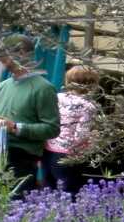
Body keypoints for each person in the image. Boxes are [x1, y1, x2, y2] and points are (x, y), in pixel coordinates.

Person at [0, 34, 59, 196]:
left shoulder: (43, 88)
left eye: (4, 53)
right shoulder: (1, 87)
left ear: (22, 53)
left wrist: (15, 127)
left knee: (15, 211)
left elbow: (52, 129)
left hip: (21, 158)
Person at [43, 65, 100, 196]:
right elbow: (81, 136)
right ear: (91, 84)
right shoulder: (88, 106)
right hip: (69, 157)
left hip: (47, 152)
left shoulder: (56, 98)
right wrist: (94, 137)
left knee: (49, 191)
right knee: (69, 194)